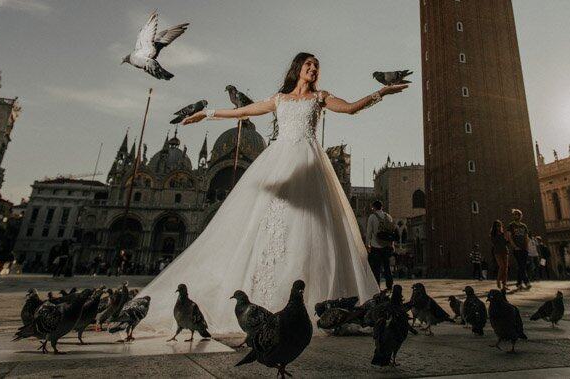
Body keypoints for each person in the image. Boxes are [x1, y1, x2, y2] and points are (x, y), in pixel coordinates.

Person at [126, 52, 407, 332]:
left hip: (309, 165)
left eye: (317, 66)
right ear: (298, 68)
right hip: (277, 163)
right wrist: (207, 114)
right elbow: (243, 112)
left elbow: (350, 108)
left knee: (307, 230)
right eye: (308, 64)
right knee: (269, 226)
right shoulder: (279, 99)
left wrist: (380, 92)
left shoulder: (320, 97)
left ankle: (314, 303)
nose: (313, 68)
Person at [365, 200, 396, 292]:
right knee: (387, 267)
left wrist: (367, 244)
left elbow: (369, 232)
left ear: (373, 207)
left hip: (376, 246)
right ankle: (389, 286)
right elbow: (391, 232)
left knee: (376, 269)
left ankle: (376, 287)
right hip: (387, 246)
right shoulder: (388, 216)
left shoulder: (372, 217)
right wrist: (392, 244)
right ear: (382, 207)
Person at [507, 209, 532, 290]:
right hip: (517, 248)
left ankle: (519, 283)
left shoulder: (524, 226)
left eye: (518, 214)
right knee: (521, 265)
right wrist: (514, 246)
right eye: (515, 214)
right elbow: (509, 237)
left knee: (522, 266)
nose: (516, 216)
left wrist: (527, 247)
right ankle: (526, 282)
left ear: (520, 216)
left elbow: (526, 237)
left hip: (524, 248)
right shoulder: (511, 225)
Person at [490, 219, 509, 291]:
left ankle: (504, 284)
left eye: (500, 225)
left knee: (506, 268)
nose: (499, 227)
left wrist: (506, 239)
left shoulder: (503, 234)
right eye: (497, 226)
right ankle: (498, 280)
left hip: (505, 251)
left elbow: (506, 242)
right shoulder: (493, 234)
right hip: (497, 252)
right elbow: (494, 242)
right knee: (502, 266)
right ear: (495, 227)